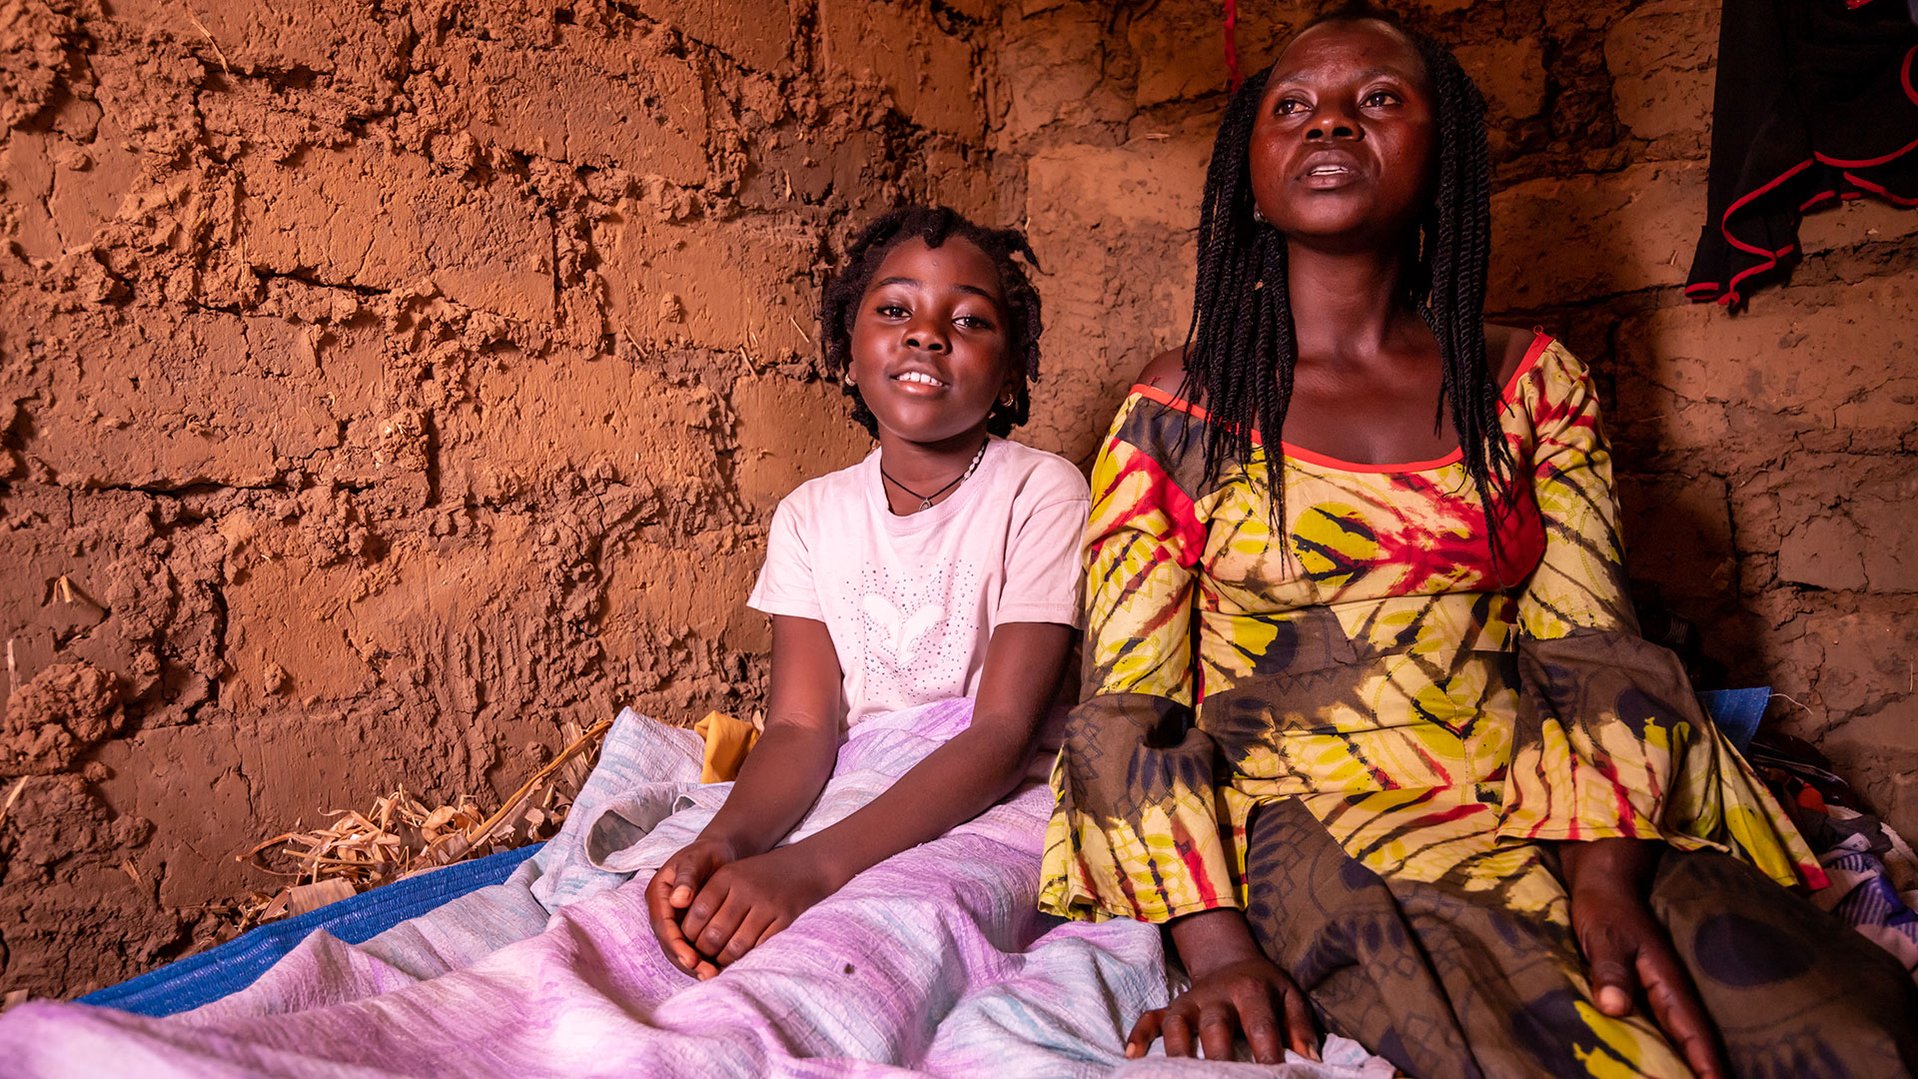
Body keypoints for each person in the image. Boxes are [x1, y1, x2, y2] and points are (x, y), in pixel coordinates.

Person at [1039, 7, 1918, 1078]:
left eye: (1375, 100)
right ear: (1249, 167)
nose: (1328, 124)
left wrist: (1603, 877)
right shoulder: (1177, 414)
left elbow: (1590, 645)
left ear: (1440, 148)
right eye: (1292, 107)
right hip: (1308, 811)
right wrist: (1218, 952)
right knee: (1575, 1044)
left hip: (1542, 785)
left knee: (1849, 1030)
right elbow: (1129, 709)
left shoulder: (1529, 382)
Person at [646, 206, 1090, 979]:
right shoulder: (812, 514)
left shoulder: (1041, 492)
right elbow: (797, 724)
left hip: (996, 803)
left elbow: (1002, 734)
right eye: (894, 310)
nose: (927, 333)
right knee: (664, 909)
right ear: (847, 353)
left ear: (1013, 370)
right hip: (851, 785)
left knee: (867, 942)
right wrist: (730, 840)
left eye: (971, 320)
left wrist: (813, 869)